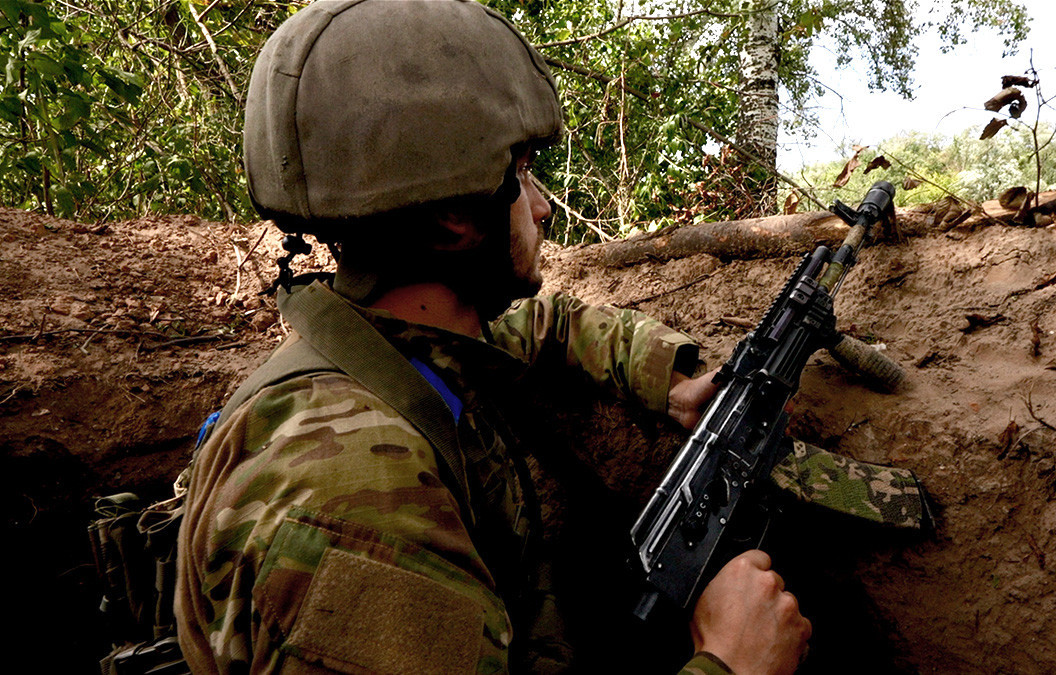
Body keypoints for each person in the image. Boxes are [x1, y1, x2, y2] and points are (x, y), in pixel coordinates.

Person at [174, 1, 813, 673]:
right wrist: (731, 662)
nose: (540, 204)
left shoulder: (379, 345)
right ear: (455, 215)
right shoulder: (364, 495)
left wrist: (671, 378)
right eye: (523, 173)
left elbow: (542, 326)